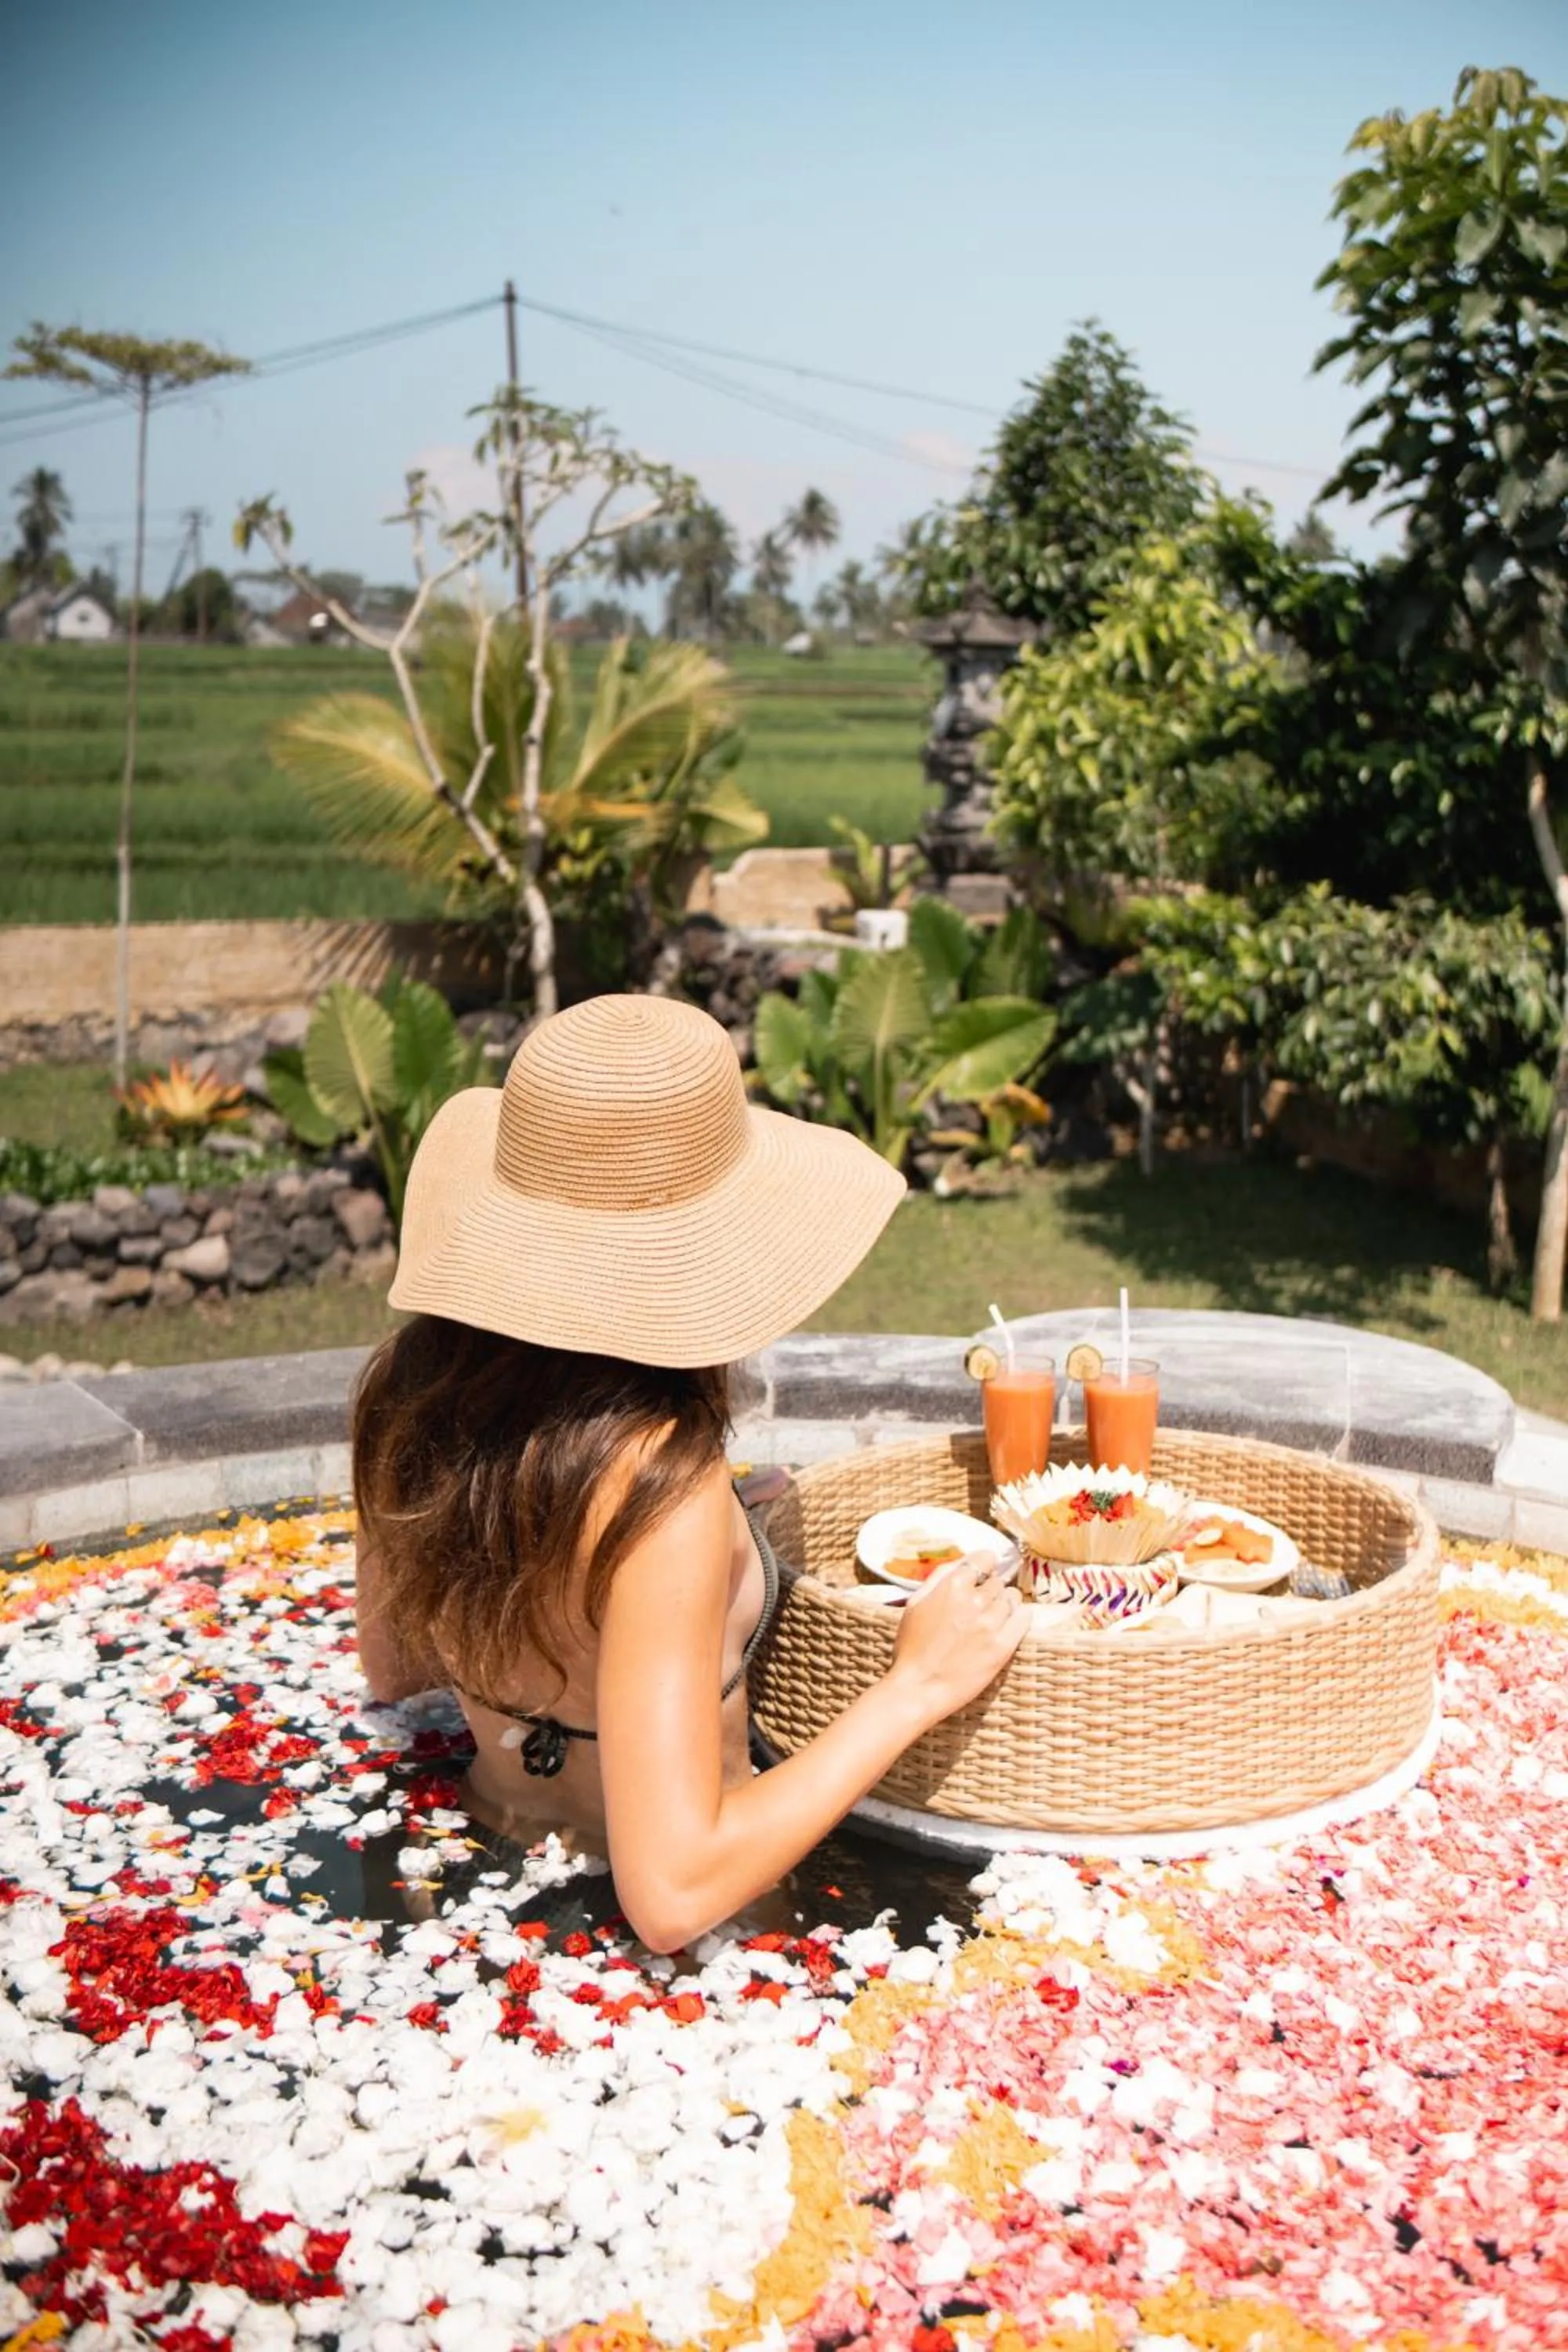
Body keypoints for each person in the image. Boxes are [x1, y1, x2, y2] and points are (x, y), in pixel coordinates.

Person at [353, 993, 1026, 1952]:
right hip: (687, 1956)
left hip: (478, 1877)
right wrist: (915, 1683)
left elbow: (396, 1668)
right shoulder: (659, 1489)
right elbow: (672, 1896)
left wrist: (652, 1582)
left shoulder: (403, 1397)